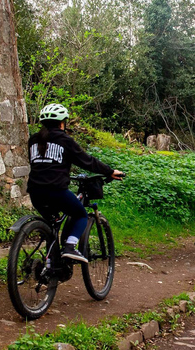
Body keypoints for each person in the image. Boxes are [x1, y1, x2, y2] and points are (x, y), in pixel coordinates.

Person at [27, 103, 125, 265]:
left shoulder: (33, 141)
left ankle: (50, 264)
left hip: (35, 193)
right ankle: (70, 246)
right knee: (80, 215)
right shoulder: (65, 140)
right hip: (56, 192)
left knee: (51, 226)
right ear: (62, 123)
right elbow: (87, 161)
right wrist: (109, 171)